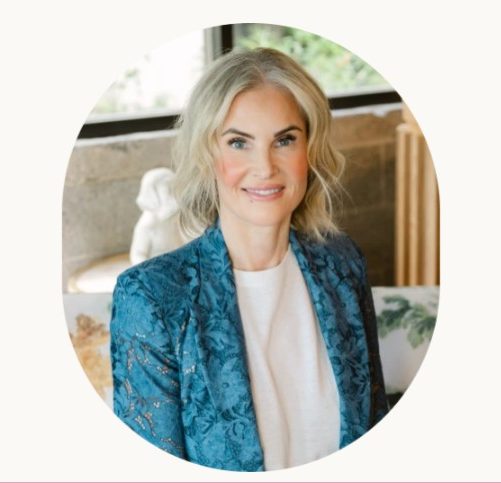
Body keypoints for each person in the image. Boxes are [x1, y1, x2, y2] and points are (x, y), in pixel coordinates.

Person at [110, 47, 388, 472]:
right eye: (238, 142)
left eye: (285, 140)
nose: (265, 167)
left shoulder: (343, 263)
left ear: (310, 149)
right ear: (207, 154)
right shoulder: (152, 299)